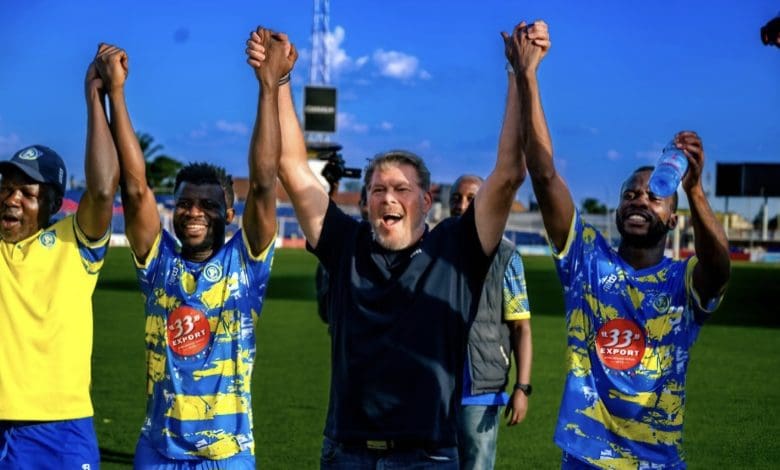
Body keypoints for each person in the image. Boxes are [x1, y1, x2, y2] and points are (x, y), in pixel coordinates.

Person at [248, 23, 543, 468]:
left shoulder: (455, 249)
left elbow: (508, 174)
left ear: (426, 201)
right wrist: (280, 81)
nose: (388, 197)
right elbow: (291, 166)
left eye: (402, 189)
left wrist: (520, 74)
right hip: (346, 453)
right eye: (378, 189)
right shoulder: (345, 244)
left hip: (427, 457)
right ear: (364, 202)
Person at [504, 20, 731, 468]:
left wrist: (697, 190)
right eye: (629, 194)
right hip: (586, 459)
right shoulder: (586, 259)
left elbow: (720, 268)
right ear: (616, 210)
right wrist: (528, 76)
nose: (639, 201)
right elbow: (545, 176)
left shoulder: (682, 282)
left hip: (658, 460)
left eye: (652, 196)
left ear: (673, 216)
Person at [98, 28, 296, 468]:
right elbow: (134, 188)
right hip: (157, 451)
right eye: (185, 202)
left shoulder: (246, 264)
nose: (193, 212)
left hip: (227, 456)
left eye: (208, 205)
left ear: (229, 213)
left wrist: (269, 85)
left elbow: (264, 182)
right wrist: (116, 93)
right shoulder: (158, 262)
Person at [0, 45, 120, 468]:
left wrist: (96, 95)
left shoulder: (73, 243)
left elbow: (104, 189)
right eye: (7, 188)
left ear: (53, 203)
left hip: (59, 430)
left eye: (28, 193)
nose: (12, 199)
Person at [449, 174, 533, 470]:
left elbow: (521, 327)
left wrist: (522, 388)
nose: (462, 205)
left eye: (471, 198)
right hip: (436, 384)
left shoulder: (507, 257)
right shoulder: (434, 250)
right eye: (456, 199)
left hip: (481, 388)